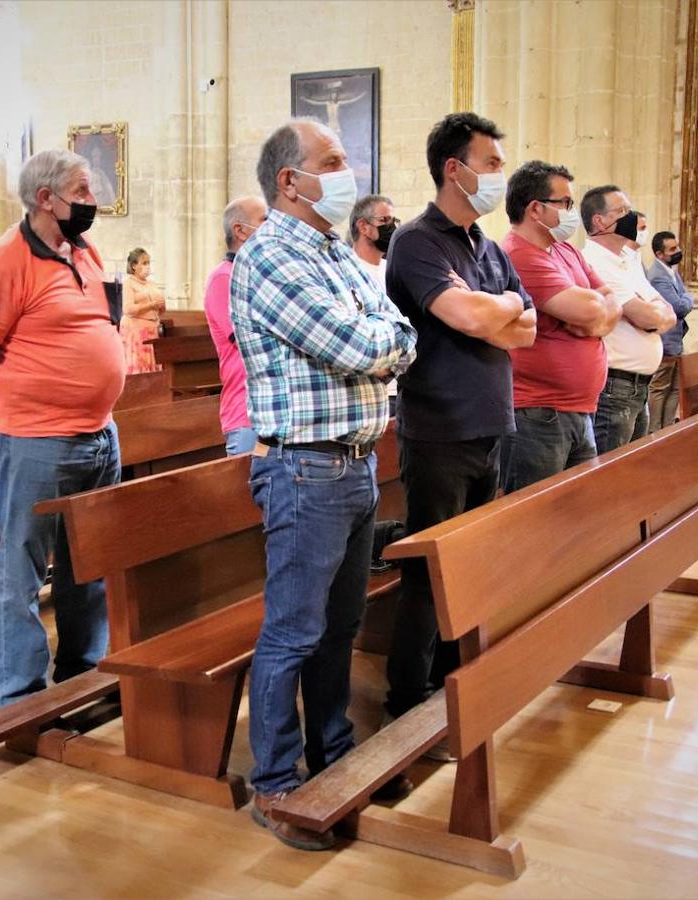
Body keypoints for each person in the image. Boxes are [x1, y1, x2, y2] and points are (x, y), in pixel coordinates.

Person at [232, 119, 417, 851]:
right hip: (303, 467)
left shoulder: (335, 250)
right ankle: (277, 784)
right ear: (289, 180)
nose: (347, 171)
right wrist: (384, 345)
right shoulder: (272, 255)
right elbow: (356, 343)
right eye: (332, 161)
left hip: (355, 461)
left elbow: (395, 330)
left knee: (339, 628)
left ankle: (334, 756)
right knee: (293, 632)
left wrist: (384, 344)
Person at [0, 148, 125, 709]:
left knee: (88, 562)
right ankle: (18, 696)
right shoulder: (3, 261)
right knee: (22, 570)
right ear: (46, 198)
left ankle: (82, 673)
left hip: (98, 433)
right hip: (36, 441)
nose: (92, 201)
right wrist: (20, 413)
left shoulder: (85, 251)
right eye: (82, 190)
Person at [382, 112, 536, 751]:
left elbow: (527, 327)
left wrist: (494, 315)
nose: (500, 174)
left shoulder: (488, 247)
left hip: (490, 426)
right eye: (493, 163)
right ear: (456, 168)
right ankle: (405, 702)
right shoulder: (418, 242)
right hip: (439, 429)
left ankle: (457, 686)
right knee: (429, 571)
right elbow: (470, 315)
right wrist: (494, 312)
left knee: (472, 566)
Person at [499, 161, 621, 492]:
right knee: (534, 521)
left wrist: (593, 321)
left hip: (579, 410)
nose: (570, 211)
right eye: (565, 202)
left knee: (577, 513)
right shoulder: (518, 255)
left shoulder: (565, 250)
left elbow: (613, 301)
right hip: (538, 414)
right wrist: (593, 315)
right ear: (535, 208)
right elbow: (589, 307)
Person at [579, 189, 678, 453]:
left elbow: (667, 311)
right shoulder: (594, 262)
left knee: (630, 471)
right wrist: (650, 314)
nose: (630, 216)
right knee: (609, 475)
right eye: (622, 211)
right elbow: (645, 315)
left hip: (639, 384)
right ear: (599, 221)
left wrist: (652, 315)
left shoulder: (627, 260)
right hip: (615, 386)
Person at [203, 195, 268, 455]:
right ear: (240, 230)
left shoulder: (259, 277)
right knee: (247, 493)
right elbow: (248, 338)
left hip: (273, 412)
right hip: (246, 415)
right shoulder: (223, 278)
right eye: (264, 221)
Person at [646, 230, 695, 431]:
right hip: (665, 342)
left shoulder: (671, 272)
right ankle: (655, 431)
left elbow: (683, 298)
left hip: (675, 341)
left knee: (675, 388)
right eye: (672, 249)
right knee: (660, 388)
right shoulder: (658, 276)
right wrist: (689, 298)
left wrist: (686, 298)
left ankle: (667, 430)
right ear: (659, 254)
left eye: (678, 247)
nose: (678, 251)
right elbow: (680, 306)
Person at [121, 247, 165, 374]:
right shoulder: (129, 283)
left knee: (152, 366)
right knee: (139, 367)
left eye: (149, 263)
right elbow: (128, 309)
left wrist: (161, 305)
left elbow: (160, 311)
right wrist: (151, 305)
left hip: (152, 329)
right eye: (144, 263)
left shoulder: (152, 284)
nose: (147, 266)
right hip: (136, 330)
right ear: (134, 265)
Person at [346, 194, 396, 286]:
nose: (392, 227)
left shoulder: (393, 271)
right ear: (363, 227)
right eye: (384, 220)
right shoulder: (347, 271)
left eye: (393, 221)